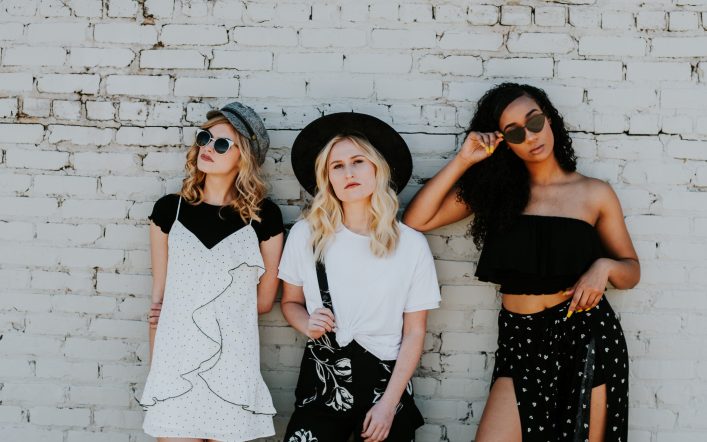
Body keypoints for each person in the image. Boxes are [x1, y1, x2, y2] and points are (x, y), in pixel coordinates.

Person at [403, 83, 640, 442]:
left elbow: (631, 271)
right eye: (514, 132)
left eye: (534, 121)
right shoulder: (498, 194)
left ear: (549, 119)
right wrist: (465, 159)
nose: (530, 136)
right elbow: (415, 220)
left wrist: (604, 266)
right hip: (520, 339)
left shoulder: (595, 193)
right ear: (504, 142)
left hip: (585, 335)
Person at [278, 113, 441, 442]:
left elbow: (414, 332)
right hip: (323, 379)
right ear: (327, 177)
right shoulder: (306, 234)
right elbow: (290, 302)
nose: (348, 172)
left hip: (386, 385)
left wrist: (388, 405)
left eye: (357, 161)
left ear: (377, 168)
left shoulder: (410, 244)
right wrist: (305, 323)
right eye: (336, 166)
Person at [139, 102, 284, 442]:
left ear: (243, 156)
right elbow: (160, 301)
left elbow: (263, 302)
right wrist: (157, 373)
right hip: (176, 366)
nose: (207, 147)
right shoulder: (168, 210)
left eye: (221, 144)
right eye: (205, 138)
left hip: (232, 366)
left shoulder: (265, 217)